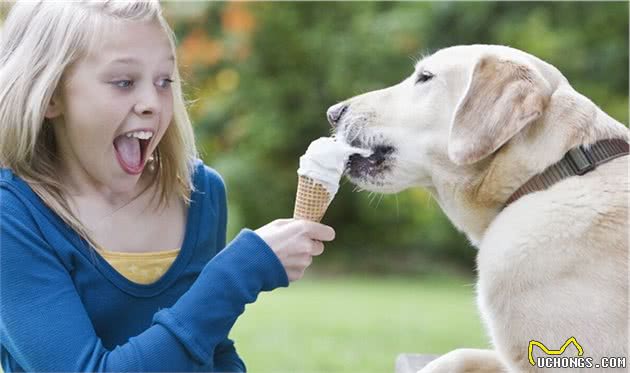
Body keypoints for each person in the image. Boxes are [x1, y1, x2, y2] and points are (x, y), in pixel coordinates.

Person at [0, 1, 335, 371]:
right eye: (124, 82)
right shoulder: (12, 214)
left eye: (164, 81)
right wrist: (237, 272)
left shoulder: (199, 194)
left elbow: (210, 350)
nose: (151, 103)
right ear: (50, 95)